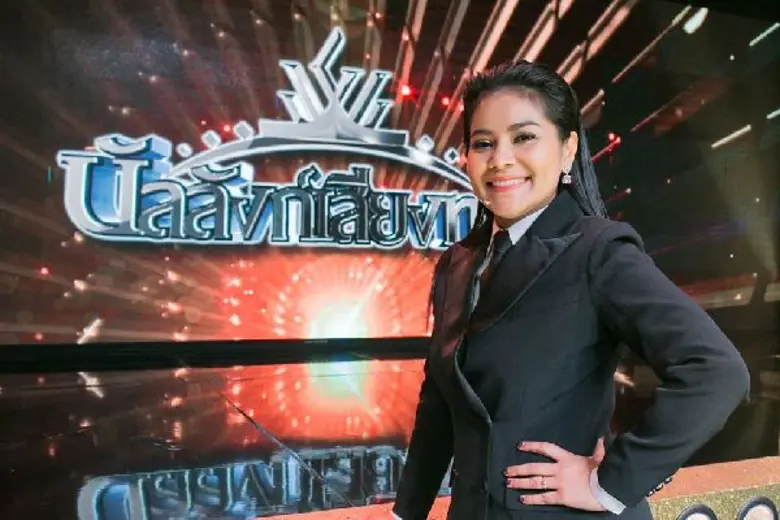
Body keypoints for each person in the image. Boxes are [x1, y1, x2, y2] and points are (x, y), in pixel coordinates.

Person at [385, 60, 750, 520]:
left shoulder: (598, 251)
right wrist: (407, 512)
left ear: (567, 150)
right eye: (483, 143)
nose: (500, 159)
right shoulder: (458, 263)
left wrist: (609, 484)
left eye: (524, 137)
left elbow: (716, 371)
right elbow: (440, 400)